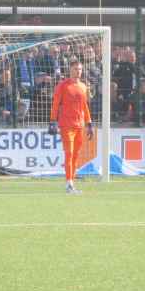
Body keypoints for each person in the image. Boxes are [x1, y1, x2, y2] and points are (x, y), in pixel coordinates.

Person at [49, 60, 94, 195]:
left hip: (79, 125)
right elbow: (56, 104)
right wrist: (53, 121)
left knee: (75, 155)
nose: (78, 71)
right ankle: (69, 184)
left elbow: (84, 106)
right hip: (66, 125)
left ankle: (71, 183)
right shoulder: (63, 85)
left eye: (79, 69)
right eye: (75, 69)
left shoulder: (83, 87)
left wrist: (89, 123)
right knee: (69, 153)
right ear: (70, 70)